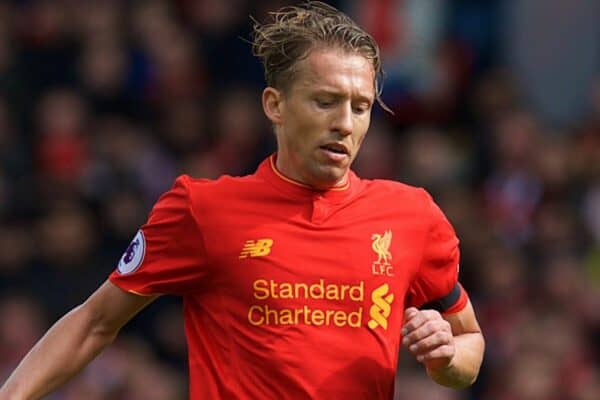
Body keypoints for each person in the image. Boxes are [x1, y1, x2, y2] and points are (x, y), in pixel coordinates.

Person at [0, 2, 484, 399]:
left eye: (360, 107)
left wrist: (446, 357)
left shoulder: (411, 216)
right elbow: (93, 323)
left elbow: (469, 345)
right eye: (325, 101)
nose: (346, 122)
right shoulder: (204, 210)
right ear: (275, 105)